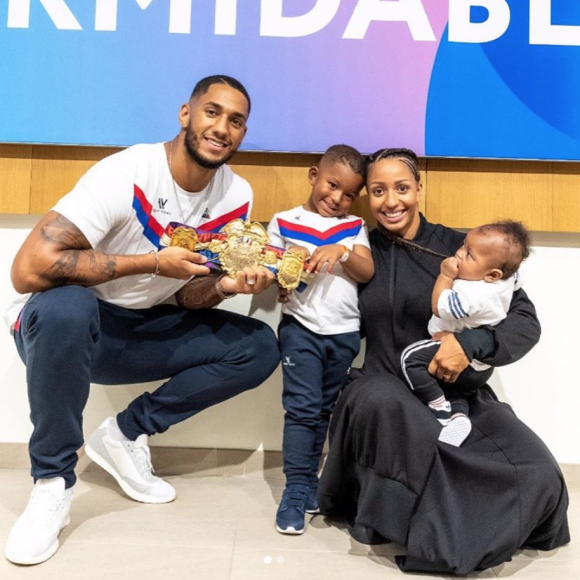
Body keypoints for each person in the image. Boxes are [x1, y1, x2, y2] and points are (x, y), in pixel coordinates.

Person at [4, 75, 280, 566]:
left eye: (236, 120)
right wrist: (154, 262)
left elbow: (190, 296)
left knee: (258, 346)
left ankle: (125, 433)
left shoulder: (236, 195)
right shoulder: (127, 171)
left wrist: (224, 286)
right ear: (185, 114)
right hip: (63, 330)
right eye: (211, 112)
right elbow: (27, 271)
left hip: (139, 329)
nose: (222, 128)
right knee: (66, 305)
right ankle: (52, 483)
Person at [317, 148, 570, 574]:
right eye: (378, 191)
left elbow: (524, 322)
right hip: (381, 388)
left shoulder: (462, 249)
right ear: (368, 197)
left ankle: (468, 519)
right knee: (415, 432)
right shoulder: (357, 252)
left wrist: (469, 346)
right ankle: (446, 531)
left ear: (419, 188)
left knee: (537, 467)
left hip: (455, 392)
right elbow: (323, 314)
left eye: (402, 188)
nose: (391, 201)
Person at [267, 145, 374, 535]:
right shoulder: (282, 221)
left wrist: (343, 252)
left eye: (349, 194)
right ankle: (295, 488)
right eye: (332, 186)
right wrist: (285, 265)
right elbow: (272, 274)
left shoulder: (354, 227)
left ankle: (312, 481)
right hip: (301, 328)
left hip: (344, 332)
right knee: (302, 409)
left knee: (325, 410)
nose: (338, 199)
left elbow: (365, 271)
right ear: (314, 176)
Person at [401, 220, 530, 447]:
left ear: (491, 274)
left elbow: (439, 306)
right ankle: (457, 417)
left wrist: (445, 277)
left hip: (459, 354)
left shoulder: (471, 295)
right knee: (456, 390)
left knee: (409, 359)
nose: (459, 254)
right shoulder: (508, 279)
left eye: (469, 255)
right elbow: (516, 279)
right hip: (479, 369)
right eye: (463, 246)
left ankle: (438, 407)